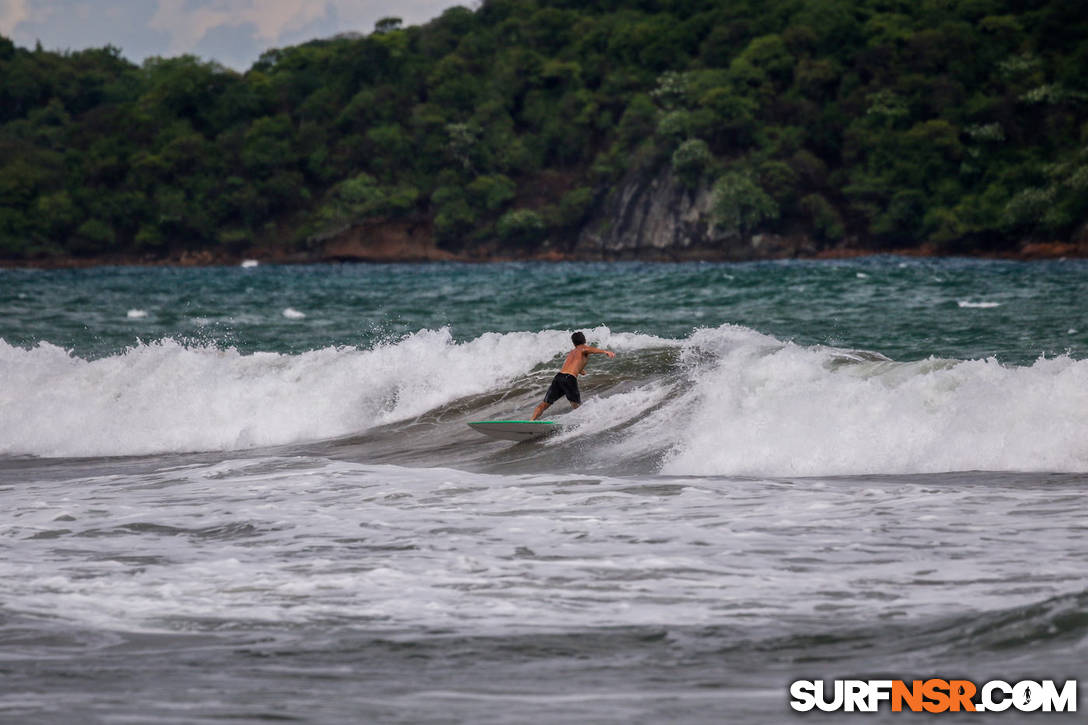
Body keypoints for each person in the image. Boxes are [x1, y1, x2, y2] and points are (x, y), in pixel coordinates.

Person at [530, 332, 615, 420]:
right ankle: (581, 424)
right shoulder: (583, 348)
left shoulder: (572, 352)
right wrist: (605, 351)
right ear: (584, 340)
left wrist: (580, 370)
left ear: (573, 343)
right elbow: (588, 349)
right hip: (569, 378)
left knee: (544, 404)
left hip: (559, 377)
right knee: (576, 406)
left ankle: (531, 420)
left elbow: (571, 365)